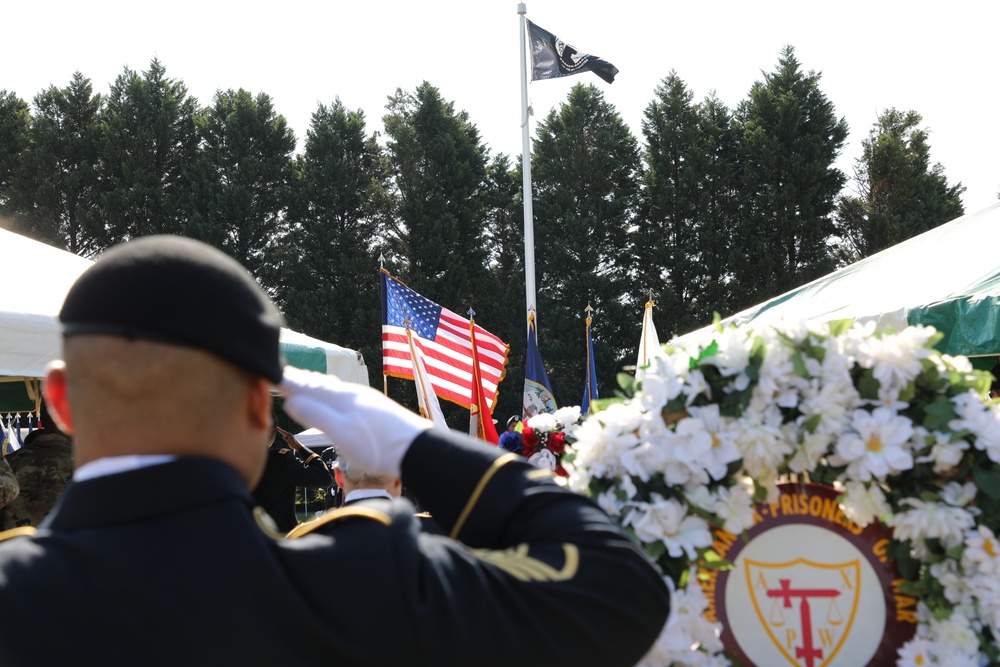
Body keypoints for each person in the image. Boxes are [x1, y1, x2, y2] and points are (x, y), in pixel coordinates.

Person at [0, 235, 670, 666]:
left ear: (59, 399)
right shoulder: (369, 583)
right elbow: (619, 589)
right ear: (262, 406)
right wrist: (415, 443)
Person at [1, 406, 74, 530]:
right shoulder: (85, 462)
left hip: (15, 541)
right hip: (66, 542)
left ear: (43, 420)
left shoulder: (9, 461)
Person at [251, 423, 333, 533]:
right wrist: (298, 446)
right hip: (280, 539)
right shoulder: (281, 461)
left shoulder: (229, 461)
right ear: (271, 431)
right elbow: (324, 478)